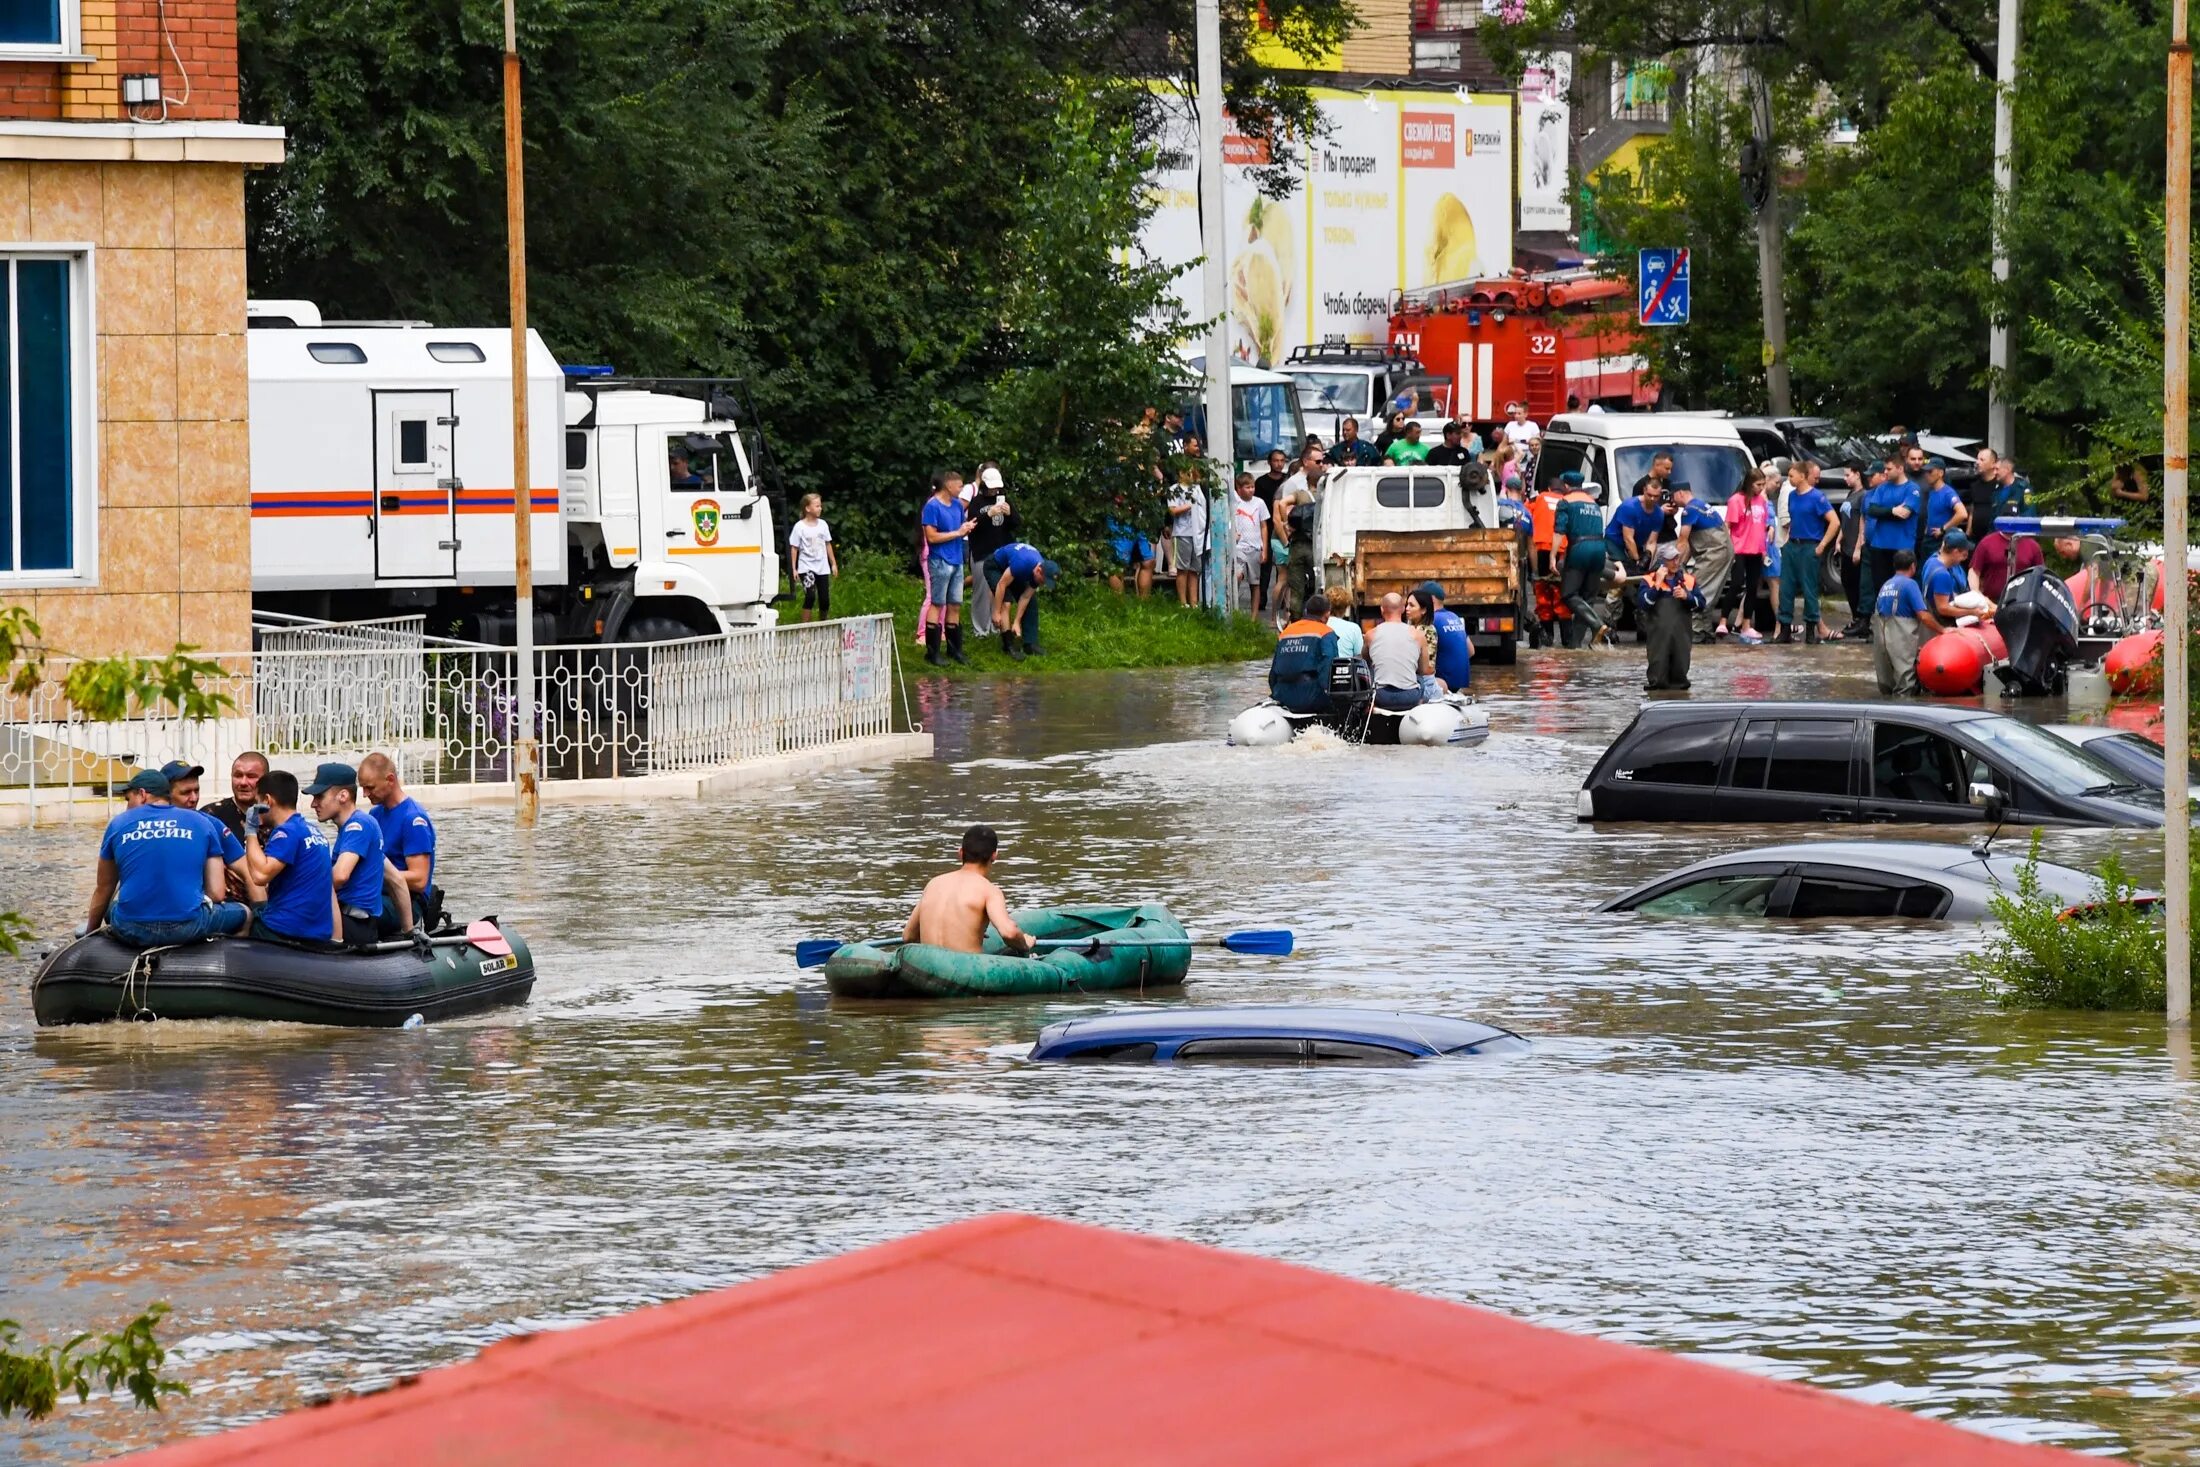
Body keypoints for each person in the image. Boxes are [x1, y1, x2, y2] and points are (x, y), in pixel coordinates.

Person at [84, 768, 249, 947]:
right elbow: (217, 893)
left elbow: (104, 888)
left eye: (128, 799)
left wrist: (88, 936)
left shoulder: (118, 824)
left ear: (142, 795)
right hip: (188, 927)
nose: (127, 806)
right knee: (245, 913)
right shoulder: (202, 822)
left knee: (111, 908)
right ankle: (226, 966)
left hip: (131, 928)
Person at [307, 761, 409, 949]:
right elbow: (396, 880)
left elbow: (339, 876)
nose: (313, 803)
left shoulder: (357, 827)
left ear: (343, 795)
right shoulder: (361, 825)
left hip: (352, 925)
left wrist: (299, 888)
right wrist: (410, 933)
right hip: (359, 925)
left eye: (319, 796)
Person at [903, 825, 1031, 955]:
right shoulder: (988, 890)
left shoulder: (933, 884)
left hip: (926, 968)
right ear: (994, 856)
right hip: (965, 972)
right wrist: (1025, 944)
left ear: (960, 853)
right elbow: (1009, 933)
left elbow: (908, 936)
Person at [244, 768, 338, 945]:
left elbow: (259, 876)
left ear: (267, 801)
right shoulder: (314, 832)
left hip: (285, 930)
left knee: (244, 917)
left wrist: (250, 831)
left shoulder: (286, 832)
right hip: (318, 932)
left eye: (257, 802)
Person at [359, 752, 439, 930]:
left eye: (370, 788)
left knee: (353, 910)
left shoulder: (413, 819)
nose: (365, 794)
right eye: (362, 788)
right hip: (378, 893)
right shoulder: (375, 815)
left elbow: (419, 879)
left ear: (390, 780)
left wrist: (369, 877)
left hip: (408, 902)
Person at [161, 759, 253, 901]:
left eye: (196, 790)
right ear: (166, 795)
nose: (194, 798)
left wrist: (261, 911)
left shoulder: (211, 823)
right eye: (186, 793)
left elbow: (247, 870)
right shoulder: (151, 826)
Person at [1775, 461, 1839, 644]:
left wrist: (1822, 545)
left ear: (1803, 476)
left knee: (1809, 588)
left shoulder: (1817, 497)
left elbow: (1834, 522)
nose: (1789, 478)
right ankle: (1785, 629)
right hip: (1792, 545)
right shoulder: (1792, 496)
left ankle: (1811, 631)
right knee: (1786, 588)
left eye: (1792, 475)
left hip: (1810, 545)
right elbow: (1793, 520)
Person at [1861, 452, 1921, 634]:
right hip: (1880, 545)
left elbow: (1906, 513)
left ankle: (1903, 627)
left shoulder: (1912, 489)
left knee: (1902, 588)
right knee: (1881, 587)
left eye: (1888, 469)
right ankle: (1882, 627)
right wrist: (1892, 510)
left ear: (1900, 468)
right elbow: (1872, 510)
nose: (1885, 472)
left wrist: (1887, 512)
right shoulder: (1882, 488)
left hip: (1901, 546)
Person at [919, 469, 975, 665]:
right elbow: (932, 537)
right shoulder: (932, 506)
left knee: (955, 603)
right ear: (948, 485)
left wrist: (966, 528)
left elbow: (960, 528)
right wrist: (957, 533)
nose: (961, 489)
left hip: (957, 559)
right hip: (939, 560)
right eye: (959, 485)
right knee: (937, 603)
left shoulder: (958, 506)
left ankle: (955, 650)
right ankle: (932, 652)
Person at [1669, 483, 1730, 644]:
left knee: (1696, 590)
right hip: (1723, 551)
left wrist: (1672, 563)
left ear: (1680, 493)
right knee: (1708, 593)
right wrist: (1682, 562)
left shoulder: (1689, 510)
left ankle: (1695, 633)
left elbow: (1682, 541)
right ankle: (1706, 632)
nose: (1672, 501)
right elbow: (1692, 542)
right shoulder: (1703, 505)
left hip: (1714, 553)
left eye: (1672, 496)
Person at [1872, 550, 1940, 695]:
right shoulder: (1910, 585)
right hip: (1900, 642)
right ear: (1913, 566)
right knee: (1906, 685)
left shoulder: (1886, 585)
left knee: (1888, 685)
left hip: (1882, 642)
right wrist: (1943, 630)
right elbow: (1923, 615)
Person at [1637, 543, 1704, 692]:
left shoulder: (1688, 580)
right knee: (1657, 678)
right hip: (1658, 640)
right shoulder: (1649, 580)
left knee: (1680, 678)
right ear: (1662, 561)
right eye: (1671, 559)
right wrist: (1657, 586)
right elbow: (1643, 604)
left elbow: (1701, 605)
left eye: (1677, 558)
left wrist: (1688, 597)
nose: (1676, 562)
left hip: (1681, 638)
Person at [1554, 474, 1609, 647]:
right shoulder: (1593, 503)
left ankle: (1597, 624)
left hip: (1580, 548)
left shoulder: (1565, 501)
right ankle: (1574, 646)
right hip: (1600, 549)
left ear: (1566, 485)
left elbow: (1559, 531)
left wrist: (1552, 556)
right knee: (1588, 598)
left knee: (1569, 594)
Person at [966, 467, 1020, 637]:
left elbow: (1016, 523)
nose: (994, 490)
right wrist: (989, 513)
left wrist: (1009, 514)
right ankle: (980, 630)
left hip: (1001, 552)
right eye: (991, 487)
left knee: (999, 590)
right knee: (981, 592)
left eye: (997, 487)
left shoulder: (1004, 500)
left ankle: (997, 627)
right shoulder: (976, 502)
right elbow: (971, 525)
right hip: (982, 551)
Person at [1274, 448, 1326, 622]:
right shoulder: (1324, 498)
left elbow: (1282, 503)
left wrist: (1286, 523)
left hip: (1297, 546)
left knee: (1296, 588)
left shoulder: (1300, 494)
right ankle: (1314, 618)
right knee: (1317, 585)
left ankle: (1295, 621)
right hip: (1315, 548)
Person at [1269, 593, 1342, 715]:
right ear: (1327, 614)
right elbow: (1329, 667)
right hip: (1310, 696)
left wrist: (1275, 693)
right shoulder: (1326, 633)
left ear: (1306, 611)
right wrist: (1331, 695)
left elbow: (1273, 673)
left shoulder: (1286, 632)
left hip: (1281, 694)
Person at [1724, 467, 1773, 643]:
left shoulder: (1762, 501)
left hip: (1756, 549)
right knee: (1736, 583)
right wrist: (1728, 547)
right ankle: (1723, 621)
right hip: (1739, 548)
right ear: (1750, 484)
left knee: (1753, 587)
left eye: (1763, 484)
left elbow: (1763, 526)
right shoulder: (1736, 500)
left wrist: (1764, 549)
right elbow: (1728, 525)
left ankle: (1746, 625)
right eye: (1758, 484)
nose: (1760, 488)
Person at [986, 542, 1057, 659]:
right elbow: (1002, 585)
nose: (1042, 584)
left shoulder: (1039, 572)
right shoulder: (1023, 563)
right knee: (1006, 602)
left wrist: (1017, 622)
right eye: (1043, 581)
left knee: (1032, 603)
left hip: (1013, 570)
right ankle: (1008, 645)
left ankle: (1030, 643)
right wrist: (996, 612)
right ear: (1039, 570)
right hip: (995, 566)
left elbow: (1025, 597)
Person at [1367, 592, 1434, 708]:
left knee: (1370, 669)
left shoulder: (1370, 635)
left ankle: (1371, 706)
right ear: (1403, 609)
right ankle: (1419, 706)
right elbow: (1423, 670)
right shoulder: (1418, 635)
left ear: (1382, 609)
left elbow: (1365, 662)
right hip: (1410, 697)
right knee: (1420, 678)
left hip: (1382, 697)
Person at [788, 492, 837, 625]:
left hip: (822, 568)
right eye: (817, 506)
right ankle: (805, 628)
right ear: (807, 508)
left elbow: (827, 544)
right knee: (810, 596)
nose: (820, 508)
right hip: (806, 567)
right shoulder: (800, 527)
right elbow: (794, 548)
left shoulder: (823, 525)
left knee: (825, 599)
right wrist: (794, 568)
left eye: (820, 506)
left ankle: (823, 624)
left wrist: (833, 563)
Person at [200, 750, 268, 843]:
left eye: (251, 776)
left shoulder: (275, 816)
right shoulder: (211, 815)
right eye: (238, 776)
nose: (243, 782)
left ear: (266, 779)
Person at [1166, 457, 1209, 605]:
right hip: (1182, 533)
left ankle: (1194, 602)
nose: (1192, 474)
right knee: (1182, 569)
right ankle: (1183, 602)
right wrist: (1190, 505)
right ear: (1181, 473)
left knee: (1194, 570)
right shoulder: (1174, 489)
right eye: (1188, 472)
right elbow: (1173, 510)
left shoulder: (1197, 489)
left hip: (1197, 533)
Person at [1252, 449, 1291, 614]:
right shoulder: (1261, 482)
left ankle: (1282, 600)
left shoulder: (1288, 482)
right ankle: (1261, 599)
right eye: (1276, 460)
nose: (1279, 464)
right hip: (1266, 526)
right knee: (1265, 566)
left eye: (1282, 460)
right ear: (1269, 462)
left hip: (1284, 527)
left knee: (1282, 567)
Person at [1923, 532, 1988, 624]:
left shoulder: (1931, 561)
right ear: (1956, 552)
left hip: (1931, 618)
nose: (1965, 559)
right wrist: (1972, 612)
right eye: (1964, 554)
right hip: (1940, 624)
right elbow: (1943, 608)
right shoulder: (1942, 575)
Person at [1419, 581, 1473, 691]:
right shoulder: (1454, 617)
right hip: (1458, 684)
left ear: (1431, 600)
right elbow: (1471, 651)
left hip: (1442, 683)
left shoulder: (1431, 620)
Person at [1227, 472, 1269, 612]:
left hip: (1255, 547)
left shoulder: (1259, 503)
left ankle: (1254, 617)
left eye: (1252, 487)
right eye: (1247, 487)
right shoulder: (1234, 503)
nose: (1251, 490)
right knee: (1237, 575)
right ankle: (1234, 608)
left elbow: (1263, 526)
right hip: (1239, 546)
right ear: (1238, 488)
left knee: (1255, 583)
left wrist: (1264, 549)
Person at [1970, 523, 2043, 603]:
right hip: (1990, 601)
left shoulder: (2032, 546)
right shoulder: (1986, 543)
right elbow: (1974, 571)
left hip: (2022, 602)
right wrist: (1977, 595)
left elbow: (2040, 575)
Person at [1919, 463, 1968, 561]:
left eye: (1930, 471)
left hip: (1939, 541)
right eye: (1926, 472)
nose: (1927, 475)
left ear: (1940, 473)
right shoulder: (1931, 491)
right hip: (1928, 540)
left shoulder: (1948, 493)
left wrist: (1943, 529)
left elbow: (1962, 514)